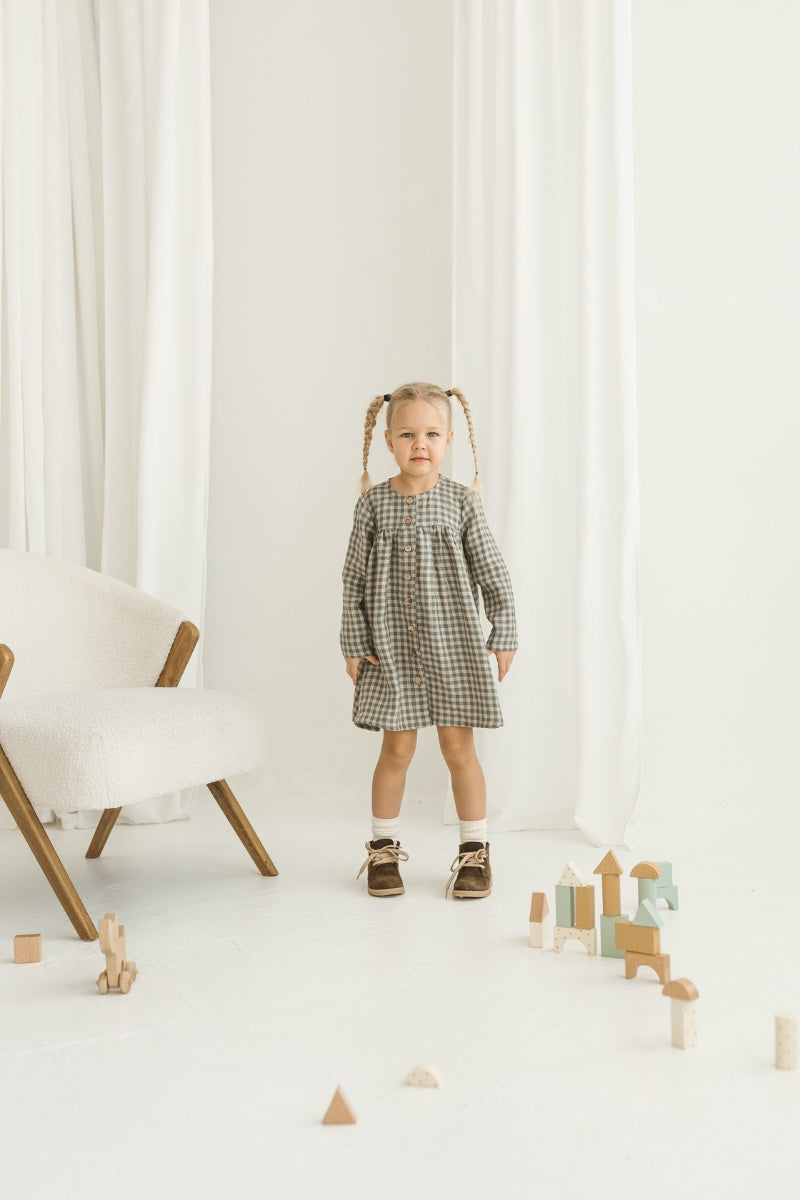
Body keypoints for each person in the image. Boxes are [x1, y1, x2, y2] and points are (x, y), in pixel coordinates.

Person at [340, 381, 517, 900]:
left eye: (432, 434)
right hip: (390, 648)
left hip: (453, 646)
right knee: (395, 748)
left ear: (450, 439)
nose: (420, 443)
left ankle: (474, 852)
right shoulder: (372, 506)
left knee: (458, 747)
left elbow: (493, 572)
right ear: (390, 441)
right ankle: (383, 848)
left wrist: (503, 630)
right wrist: (353, 641)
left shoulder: (461, 502)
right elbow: (353, 577)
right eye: (408, 433)